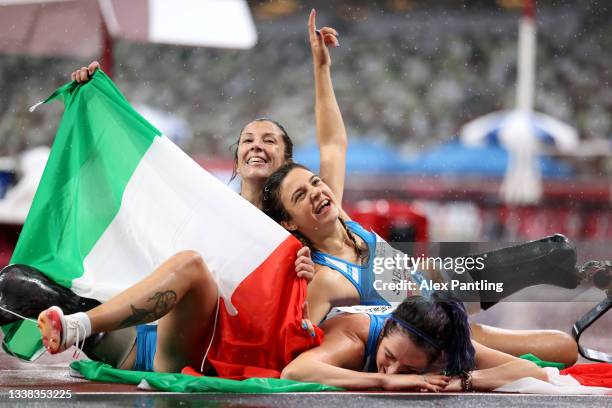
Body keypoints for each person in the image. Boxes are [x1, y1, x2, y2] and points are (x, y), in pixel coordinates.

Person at [1, 10, 340, 368]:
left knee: (192, 265)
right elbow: (130, 202)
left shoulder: (296, 227)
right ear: (237, 162)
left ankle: (80, 323)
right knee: (13, 283)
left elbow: (333, 148)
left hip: (187, 351)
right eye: (247, 141)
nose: (256, 145)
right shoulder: (203, 204)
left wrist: (321, 68)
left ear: (287, 161)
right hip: (127, 330)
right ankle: (80, 321)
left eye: (269, 140)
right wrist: (95, 102)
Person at [262, 162, 579, 366]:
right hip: (435, 329)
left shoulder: (346, 223)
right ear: (288, 221)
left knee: (457, 272)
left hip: (435, 292)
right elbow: (296, 351)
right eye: (301, 195)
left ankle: (548, 259)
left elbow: (334, 143)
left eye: (316, 182)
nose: (317, 193)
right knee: (564, 348)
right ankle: (547, 260)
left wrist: (322, 69)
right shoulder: (325, 277)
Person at [281, 293, 549, 391]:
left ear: (438, 360)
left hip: (441, 320)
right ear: (385, 331)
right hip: (375, 304)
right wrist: (385, 381)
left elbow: (535, 374)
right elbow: (295, 371)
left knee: (564, 348)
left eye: (410, 370)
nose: (394, 371)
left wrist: (465, 380)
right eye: (389, 356)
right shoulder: (354, 339)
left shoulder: (444, 349)